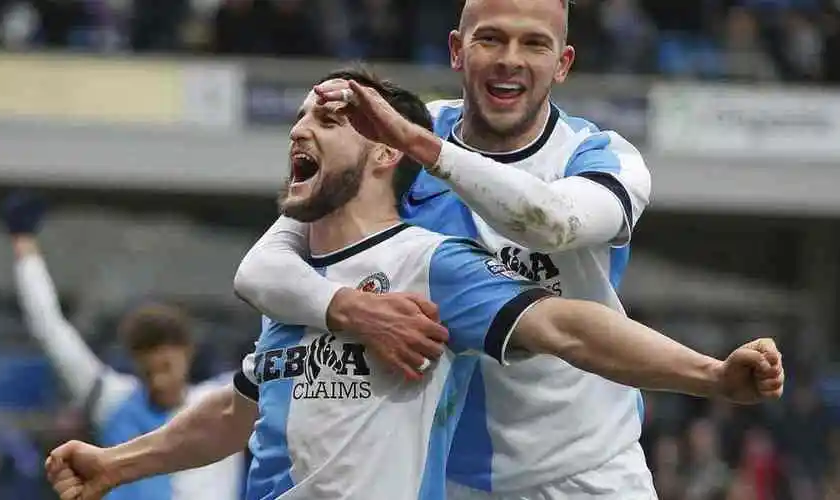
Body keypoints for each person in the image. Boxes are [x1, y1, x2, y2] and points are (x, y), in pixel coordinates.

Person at [44, 69, 784, 500]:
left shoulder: (429, 264)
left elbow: (568, 327)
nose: (300, 129)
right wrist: (115, 463)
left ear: (381, 154)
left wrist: (712, 375)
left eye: (329, 119)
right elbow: (237, 413)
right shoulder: (291, 285)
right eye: (299, 116)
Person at [235, 0, 661, 497]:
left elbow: (553, 223)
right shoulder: (395, 137)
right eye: (491, 39)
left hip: (586, 469)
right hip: (445, 473)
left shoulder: (601, 155)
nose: (510, 59)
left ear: (562, 64)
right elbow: (262, 268)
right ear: (457, 51)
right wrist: (349, 307)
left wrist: (426, 150)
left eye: (534, 43)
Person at [1, 193, 245, 500]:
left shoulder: (225, 405)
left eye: (166, 367)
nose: (159, 381)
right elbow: (49, 328)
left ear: (188, 353)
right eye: (148, 371)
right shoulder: (112, 401)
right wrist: (24, 244)